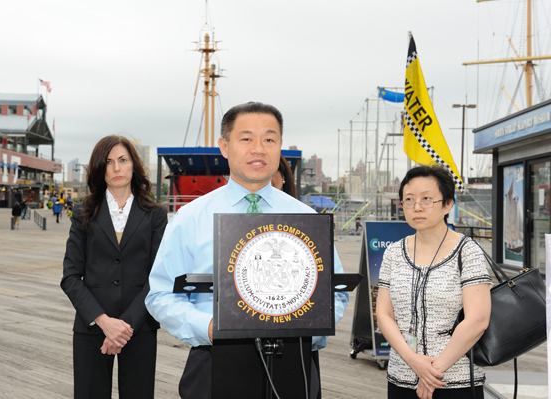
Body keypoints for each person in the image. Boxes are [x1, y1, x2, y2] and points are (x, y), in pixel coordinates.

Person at [145, 102, 349, 399]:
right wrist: (209, 327)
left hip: (295, 367)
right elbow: (160, 295)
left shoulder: (307, 219)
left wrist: (307, 330)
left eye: (269, 139)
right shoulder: (191, 218)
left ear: (280, 146)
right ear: (224, 147)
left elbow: (337, 292)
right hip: (213, 363)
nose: (259, 149)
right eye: (246, 139)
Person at [61, 135, 167, 398]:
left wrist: (124, 326)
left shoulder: (155, 214)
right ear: (100, 168)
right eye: (109, 162)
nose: (117, 168)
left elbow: (159, 276)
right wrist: (104, 322)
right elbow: (71, 276)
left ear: (134, 165)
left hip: (139, 325)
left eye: (123, 160)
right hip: (92, 325)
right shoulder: (84, 212)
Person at [375, 164, 492, 399]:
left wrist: (432, 373)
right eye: (409, 199)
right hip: (401, 378)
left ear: (448, 204)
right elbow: (384, 314)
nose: (417, 207)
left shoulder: (467, 252)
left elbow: (477, 320)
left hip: (455, 381)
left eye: (427, 199)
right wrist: (414, 362)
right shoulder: (393, 253)